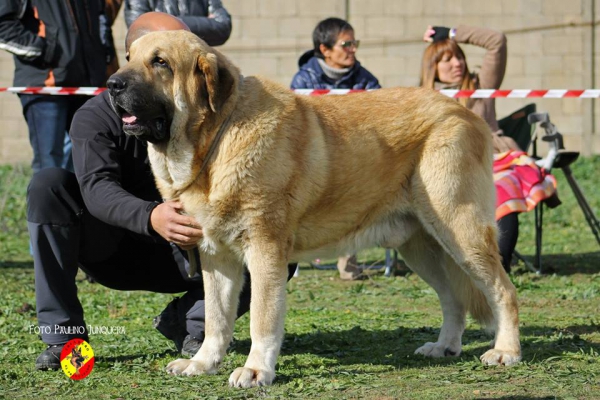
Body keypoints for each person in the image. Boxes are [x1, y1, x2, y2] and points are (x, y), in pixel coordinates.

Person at [27, 12, 296, 371]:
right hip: (117, 250)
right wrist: (151, 216)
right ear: (129, 57)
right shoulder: (94, 118)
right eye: (155, 61)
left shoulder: (216, 116)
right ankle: (64, 339)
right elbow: (97, 188)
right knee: (49, 186)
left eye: (164, 64)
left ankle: (191, 323)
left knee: (277, 244)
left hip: (188, 256)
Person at [420, 25, 559, 273]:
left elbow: (497, 41)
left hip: (492, 160)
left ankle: (500, 269)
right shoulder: (423, 98)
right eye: (447, 59)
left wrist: (451, 34)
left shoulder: (481, 86)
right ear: (433, 67)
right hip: (446, 168)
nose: (457, 64)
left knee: (502, 189)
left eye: (459, 56)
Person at [291, 17, 380, 280]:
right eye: (346, 44)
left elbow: (380, 117)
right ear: (325, 49)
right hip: (314, 156)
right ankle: (296, 256)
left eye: (354, 43)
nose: (353, 49)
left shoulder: (366, 80)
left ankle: (348, 263)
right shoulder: (304, 79)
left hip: (354, 154)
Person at [0, 0, 115, 173]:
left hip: (87, 85)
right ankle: (46, 200)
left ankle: (75, 200)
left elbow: (102, 18)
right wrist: (45, 50)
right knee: (49, 163)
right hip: (45, 86)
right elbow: (3, 26)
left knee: (89, 159)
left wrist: (104, 52)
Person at [124, 0, 232, 46]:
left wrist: (162, 21)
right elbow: (139, 31)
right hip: (156, 71)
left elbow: (223, 26)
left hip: (193, 66)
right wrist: (204, 22)